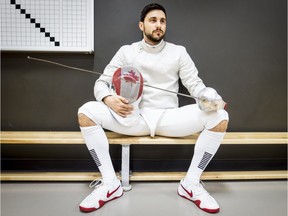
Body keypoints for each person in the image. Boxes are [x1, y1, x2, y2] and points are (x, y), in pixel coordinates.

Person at [78, 3, 229, 214]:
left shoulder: (178, 52)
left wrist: (210, 98)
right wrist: (108, 98)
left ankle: (191, 183)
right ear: (141, 25)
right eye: (153, 20)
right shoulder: (126, 52)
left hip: (170, 118)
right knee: (86, 111)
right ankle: (109, 184)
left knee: (220, 116)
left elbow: (195, 85)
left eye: (162, 21)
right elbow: (100, 84)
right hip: (133, 117)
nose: (159, 25)